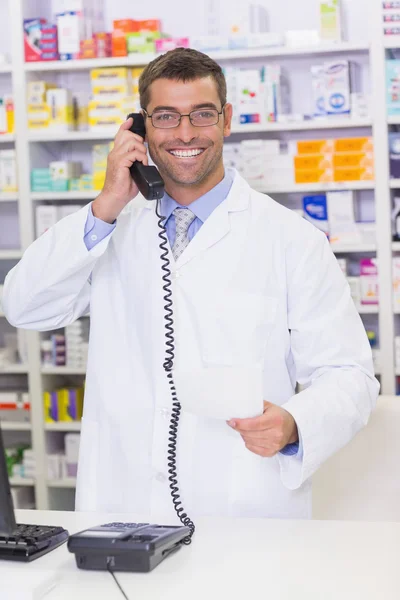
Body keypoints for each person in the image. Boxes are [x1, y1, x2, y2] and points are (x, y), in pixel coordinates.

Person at [3, 48, 379, 520]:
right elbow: (23, 306)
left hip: (243, 509)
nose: (184, 133)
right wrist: (107, 203)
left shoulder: (291, 239)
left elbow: (349, 374)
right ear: (139, 128)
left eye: (201, 114)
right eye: (165, 117)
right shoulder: (108, 228)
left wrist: (294, 423)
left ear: (225, 120)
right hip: (124, 505)